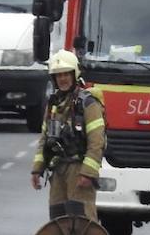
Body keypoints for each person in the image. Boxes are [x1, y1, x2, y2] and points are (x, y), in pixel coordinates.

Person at [31, 50, 107, 220]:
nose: (62, 79)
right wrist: (37, 170)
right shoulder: (54, 104)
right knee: (58, 220)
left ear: (74, 74)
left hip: (78, 168)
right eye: (58, 75)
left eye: (66, 74)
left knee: (82, 219)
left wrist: (87, 173)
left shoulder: (88, 103)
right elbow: (44, 138)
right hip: (58, 169)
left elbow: (97, 142)